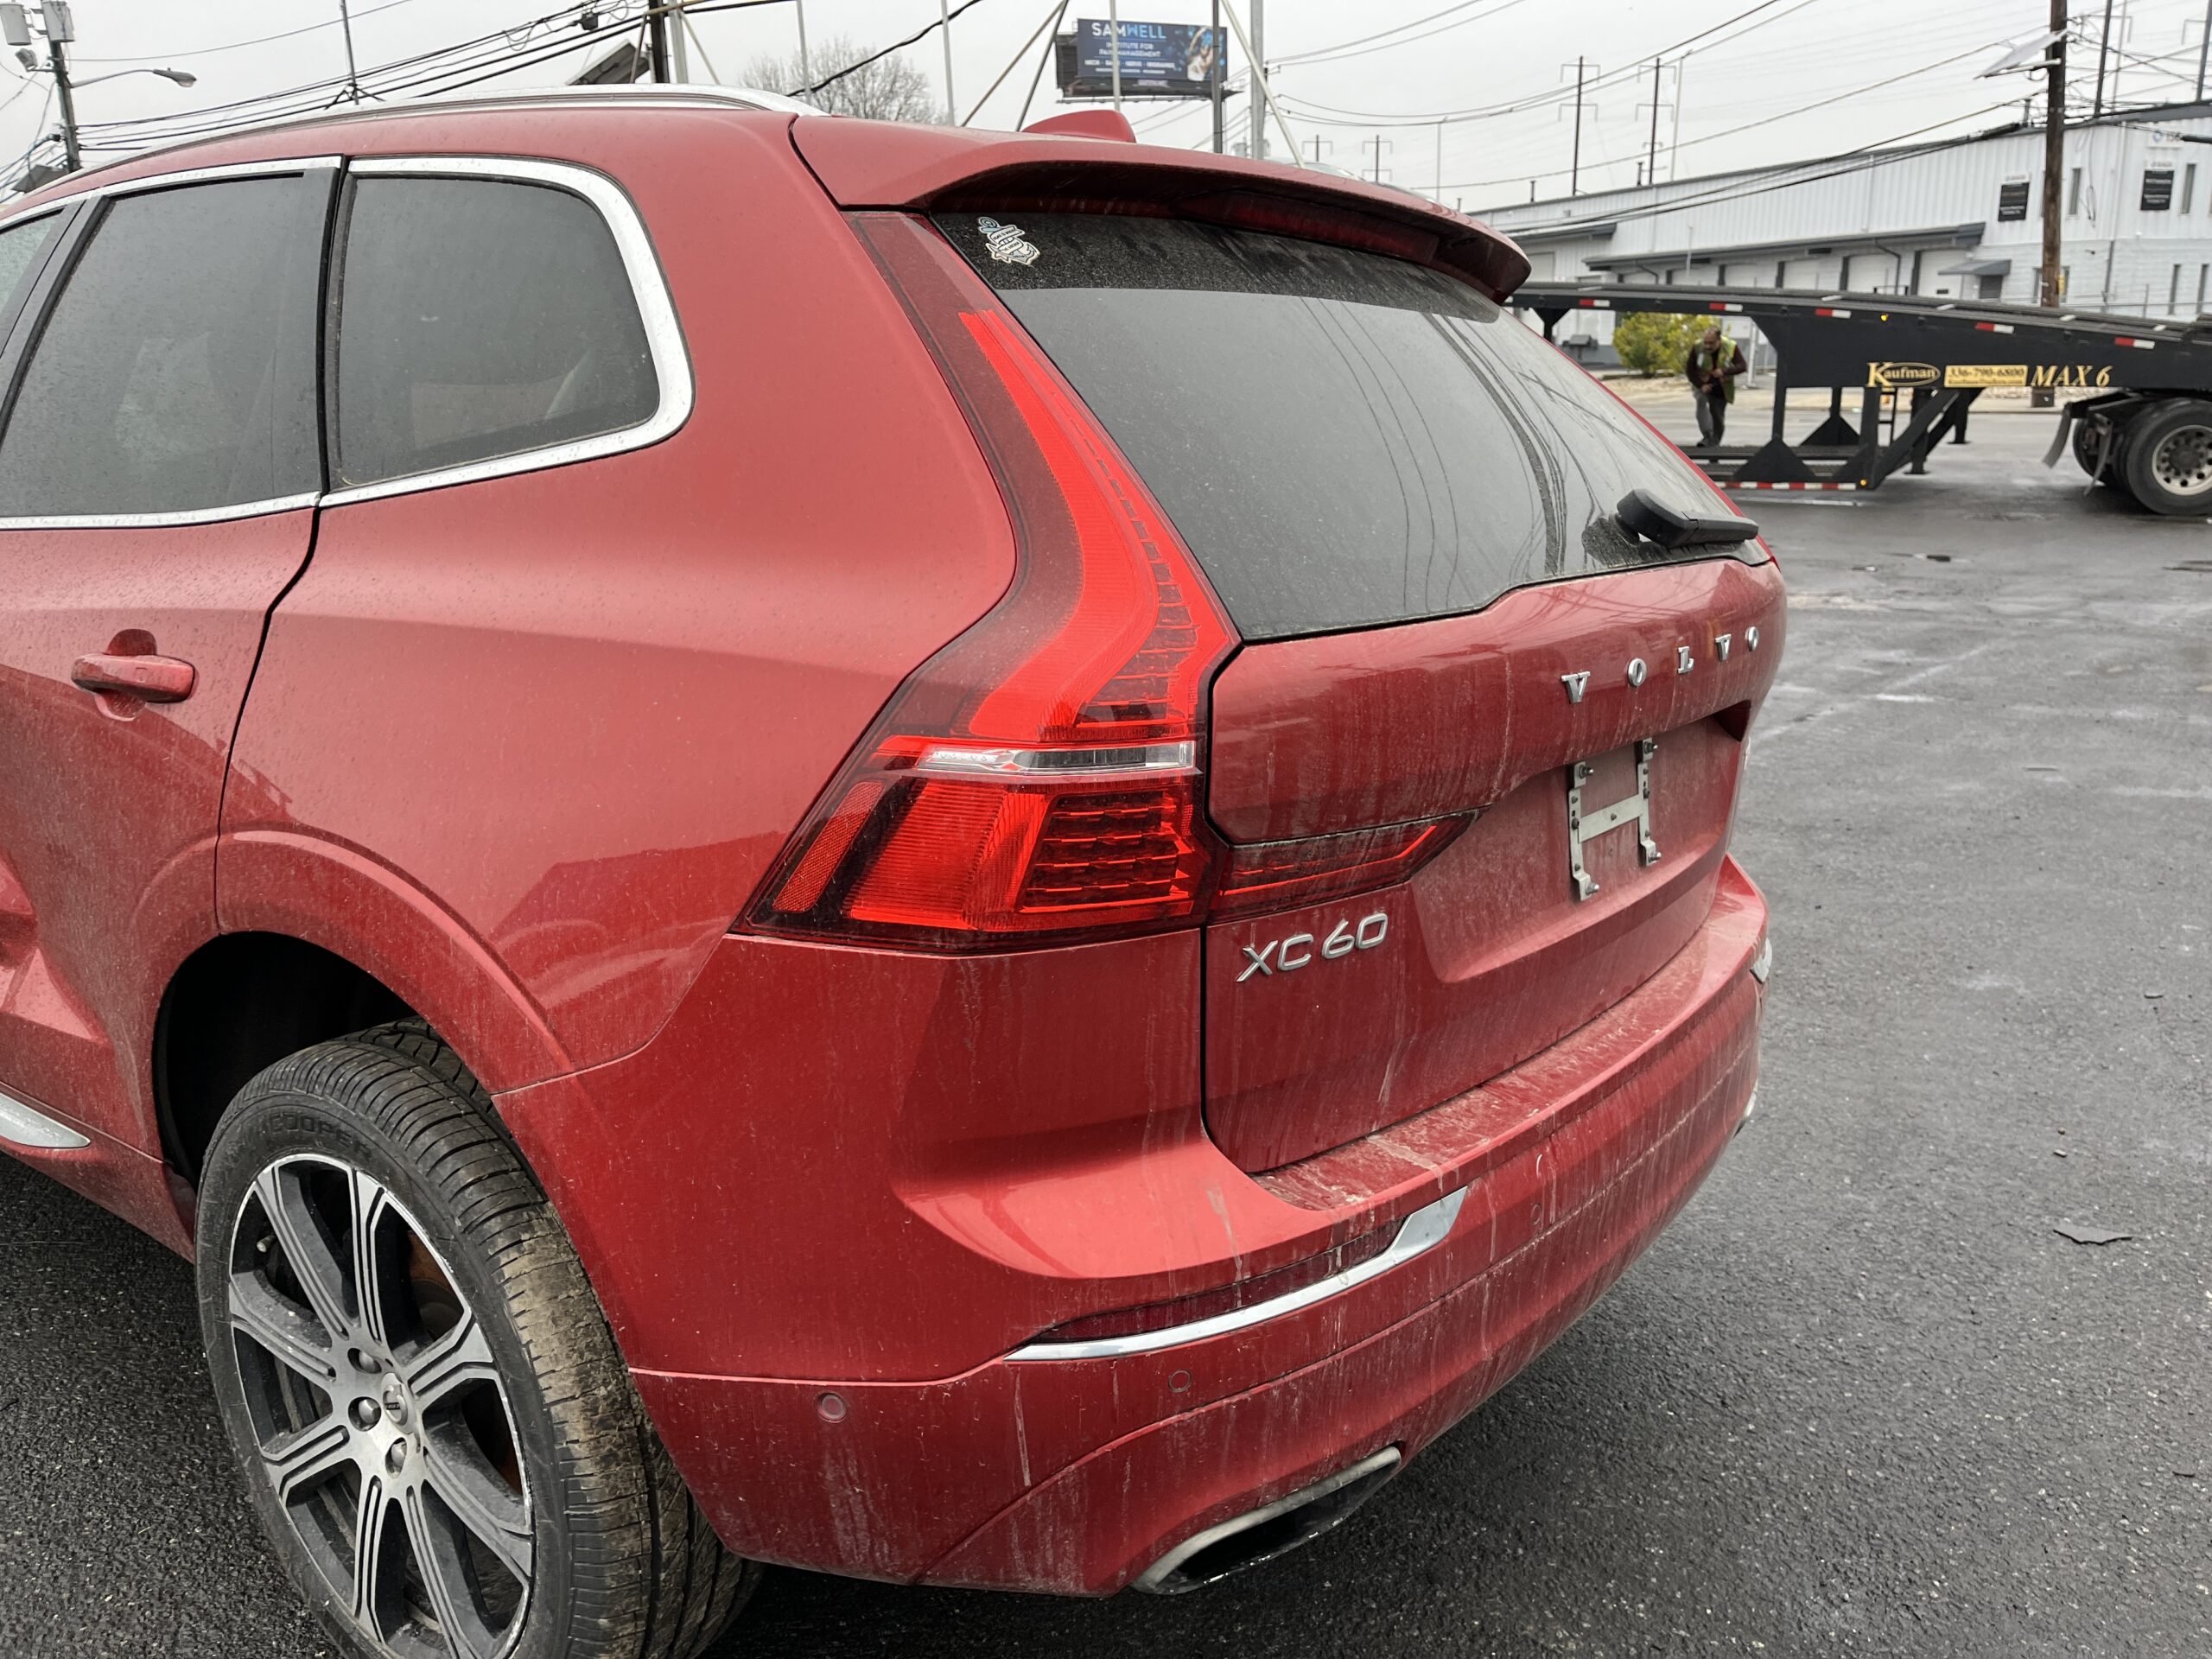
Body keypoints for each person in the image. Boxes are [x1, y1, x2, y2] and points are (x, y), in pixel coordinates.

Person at [1686, 325, 1745, 447]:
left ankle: (1714, 443)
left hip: (1721, 386)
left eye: (1711, 343)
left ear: (1719, 340)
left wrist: (1724, 371)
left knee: (1717, 416)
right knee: (1701, 401)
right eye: (1706, 342)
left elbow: (1742, 366)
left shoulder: (1730, 346)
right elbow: (1690, 370)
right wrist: (1701, 385)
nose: (1707, 346)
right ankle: (1708, 435)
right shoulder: (1698, 347)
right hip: (1703, 383)